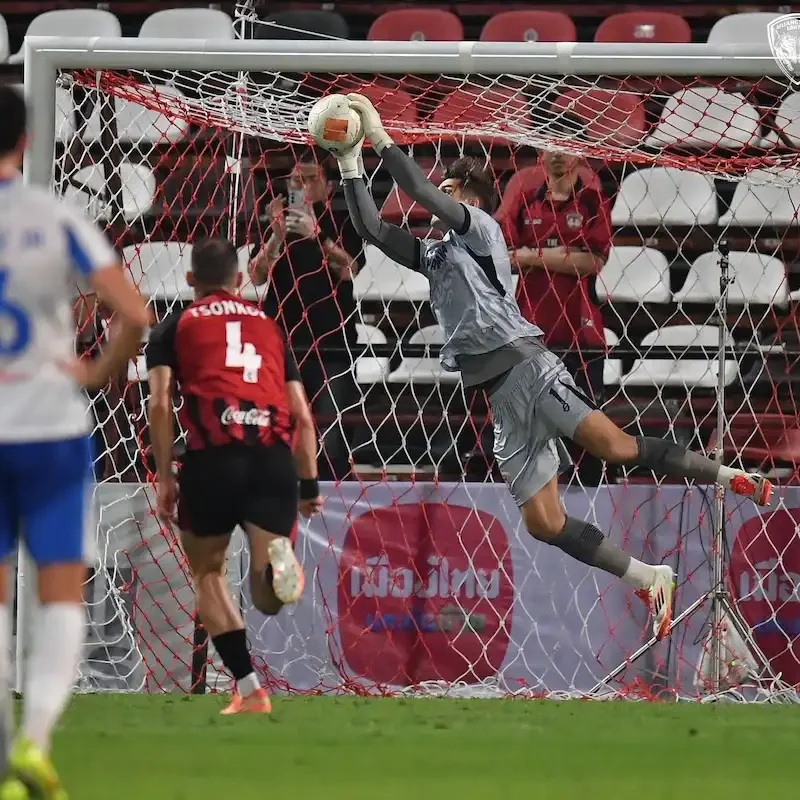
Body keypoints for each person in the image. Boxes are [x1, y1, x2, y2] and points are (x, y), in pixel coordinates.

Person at [331, 92, 773, 644]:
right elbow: (373, 230)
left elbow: (417, 189)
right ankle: (648, 576)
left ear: (465, 196)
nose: (435, 199)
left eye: (447, 191)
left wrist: (377, 134)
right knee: (543, 523)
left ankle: (729, 475)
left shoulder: (481, 231)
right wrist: (350, 163)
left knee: (615, 448)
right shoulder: (435, 254)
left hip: (528, 369)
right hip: (497, 393)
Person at [0, 87, 149, 796]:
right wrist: (94, 371)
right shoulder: (56, 218)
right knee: (62, 594)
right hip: (52, 428)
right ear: (26, 142)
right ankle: (34, 743)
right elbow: (136, 313)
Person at [145, 237, 321, 716]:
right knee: (266, 599)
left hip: (212, 460)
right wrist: (308, 485)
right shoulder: (268, 326)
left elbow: (159, 404)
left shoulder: (171, 328)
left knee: (208, 573)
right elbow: (302, 416)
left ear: (189, 282)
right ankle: (278, 563)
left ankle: (248, 689)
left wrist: (165, 476)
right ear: (240, 280)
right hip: (271, 460)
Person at [497, 146, 611, 485]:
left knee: (585, 425)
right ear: (540, 157)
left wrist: (533, 255)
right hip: (531, 327)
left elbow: (592, 262)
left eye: (566, 149)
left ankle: (591, 496)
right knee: (529, 420)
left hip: (581, 329)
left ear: (579, 156)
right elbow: (506, 255)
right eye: (550, 149)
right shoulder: (525, 200)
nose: (557, 156)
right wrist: (564, 254)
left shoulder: (592, 201)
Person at [250, 155, 364, 480]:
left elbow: (349, 269)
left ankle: (333, 503)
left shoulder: (342, 219)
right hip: (282, 345)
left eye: (310, 178)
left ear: (328, 186)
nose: (301, 185)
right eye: (296, 179)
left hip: (332, 344)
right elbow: (256, 275)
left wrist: (319, 236)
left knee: (331, 436)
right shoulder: (277, 220)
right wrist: (275, 236)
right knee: (279, 431)